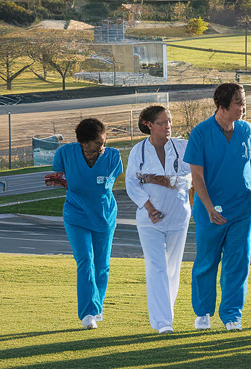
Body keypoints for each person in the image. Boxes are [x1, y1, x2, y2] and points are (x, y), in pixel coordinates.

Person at [185, 83, 251, 332]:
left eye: (243, 101)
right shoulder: (201, 133)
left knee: (238, 263)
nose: (243, 106)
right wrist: (208, 208)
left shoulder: (248, 131)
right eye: (238, 102)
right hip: (210, 211)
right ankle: (203, 312)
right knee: (207, 261)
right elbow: (197, 176)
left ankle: (231, 315)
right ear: (222, 105)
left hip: (241, 210)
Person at [46, 117, 122, 329]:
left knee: (102, 265)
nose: (102, 145)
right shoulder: (65, 153)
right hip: (76, 214)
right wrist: (57, 181)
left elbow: (103, 185)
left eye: (103, 140)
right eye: (97, 142)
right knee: (85, 261)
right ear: (83, 142)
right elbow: (61, 177)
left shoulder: (113, 156)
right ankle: (88, 313)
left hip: (104, 215)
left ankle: (97, 306)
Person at [125, 105, 192, 334]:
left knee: (173, 269)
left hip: (178, 215)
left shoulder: (182, 147)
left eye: (170, 121)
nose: (168, 126)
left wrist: (165, 181)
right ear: (149, 125)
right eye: (162, 123)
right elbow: (132, 183)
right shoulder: (138, 151)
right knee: (157, 267)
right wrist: (150, 208)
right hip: (149, 219)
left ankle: (166, 315)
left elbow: (191, 177)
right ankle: (163, 323)